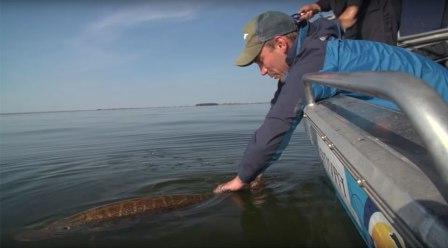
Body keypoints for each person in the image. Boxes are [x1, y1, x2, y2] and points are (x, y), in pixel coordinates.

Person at [213, 11, 448, 194]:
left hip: (438, 103)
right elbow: (282, 100)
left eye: (261, 61)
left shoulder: (314, 61)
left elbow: (280, 120)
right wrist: (256, 168)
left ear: (281, 43)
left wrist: (241, 179)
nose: (262, 71)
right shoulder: (314, 45)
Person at [298, 0, 402, 45]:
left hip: (376, 13)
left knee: (381, 60)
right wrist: (317, 7)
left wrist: (352, 8)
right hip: (350, 22)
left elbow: (350, 13)